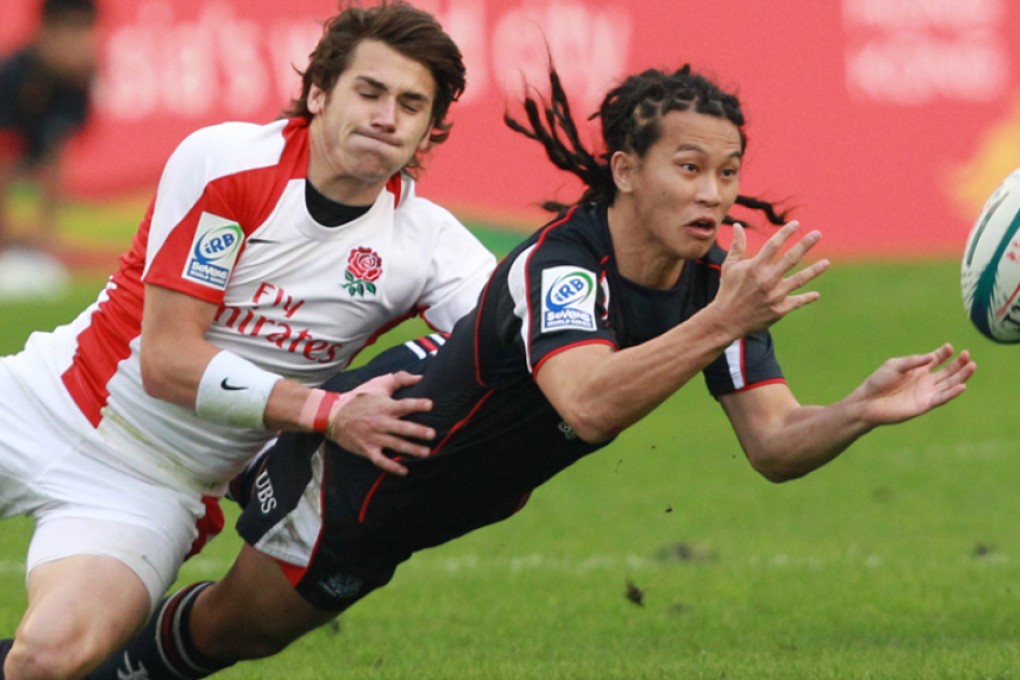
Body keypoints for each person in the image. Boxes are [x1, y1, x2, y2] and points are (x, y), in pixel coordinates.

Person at [86, 64, 976, 679]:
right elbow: (585, 404)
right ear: (626, 170)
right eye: (691, 168)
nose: (713, 193)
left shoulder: (715, 287)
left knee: (223, 627)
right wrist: (720, 323)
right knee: (223, 634)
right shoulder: (563, 264)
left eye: (729, 172)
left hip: (437, 496)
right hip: (364, 475)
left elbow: (774, 444)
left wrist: (857, 410)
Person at [0, 2, 496, 679]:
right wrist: (329, 412)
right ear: (320, 93)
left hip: (156, 489)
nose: (387, 115)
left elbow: (518, 335)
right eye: (370, 91)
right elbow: (169, 362)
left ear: (429, 130)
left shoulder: (429, 245)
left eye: (412, 104)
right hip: (41, 400)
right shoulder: (229, 162)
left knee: (47, 659)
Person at [0, 0, 99, 298]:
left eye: (83, 33)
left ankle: (44, 242)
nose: (75, 45)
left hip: (34, 153)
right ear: (44, 33)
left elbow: (57, 155)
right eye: (67, 33)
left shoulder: (80, 79)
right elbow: (4, 158)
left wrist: (44, 235)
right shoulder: (15, 76)